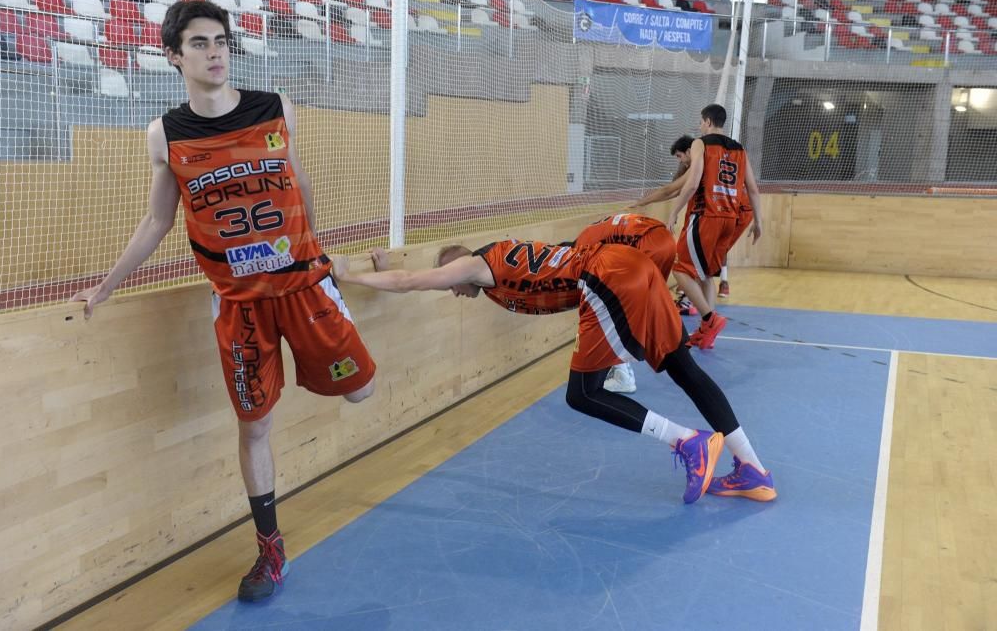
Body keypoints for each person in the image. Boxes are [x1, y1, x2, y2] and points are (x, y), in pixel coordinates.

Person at [70, 1, 377, 602]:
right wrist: (106, 285)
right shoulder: (166, 133)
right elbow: (157, 220)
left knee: (361, 391)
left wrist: (324, 253)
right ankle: (269, 548)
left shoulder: (273, 107)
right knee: (254, 423)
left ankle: (333, 308)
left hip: (303, 284)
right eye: (201, 43)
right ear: (174, 56)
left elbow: (299, 179)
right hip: (239, 304)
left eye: (222, 41)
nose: (215, 52)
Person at [333, 242, 777, 503]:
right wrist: (384, 269)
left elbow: (413, 281)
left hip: (605, 277)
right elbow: (409, 279)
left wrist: (349, 278)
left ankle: (689, 442)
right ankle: (752, 468)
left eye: (449, 282)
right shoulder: (498, 270)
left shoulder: (475, 265)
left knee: (581, 394)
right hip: (626, 269)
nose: (451, 290)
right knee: (685, 370)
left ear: (456, 265)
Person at [667, 104, 762, 349]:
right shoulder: (739, 149)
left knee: (679, 268)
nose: (700, 126)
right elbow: (752, 188)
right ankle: (707, 333)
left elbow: (692, 183)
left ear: (708, 122)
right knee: (706, 274)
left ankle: (709, 319)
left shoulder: (701, 143)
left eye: (701, 121)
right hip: (730, 219)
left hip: (707, 214)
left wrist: (674, 212)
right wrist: (759, 222)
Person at [571, 212, 677, 394]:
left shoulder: (582, 249)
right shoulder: (590, 234)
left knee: (616, 312)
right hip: (665, 240)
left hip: (648, 246)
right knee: (643, 307)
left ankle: (623, 375)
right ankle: (666, 348)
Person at [631, 135, 698, 318]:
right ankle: (694, 302)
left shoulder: (696, 167)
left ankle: (692, 303)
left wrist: (641, 202)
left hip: (703, 219)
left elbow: (669, 190)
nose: (680, 161)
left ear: (690, 152)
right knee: (692, 264)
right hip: (713, 217)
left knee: (681, 264)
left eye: (679, 156)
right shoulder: (693, 167)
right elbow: (674, 191)